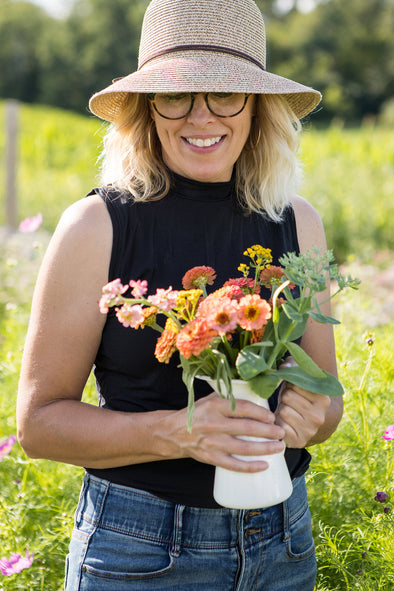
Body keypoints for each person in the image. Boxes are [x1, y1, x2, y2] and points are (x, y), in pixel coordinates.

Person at [16, 0, 343, 589]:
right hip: (141, 550)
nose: (201, 116)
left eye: (225, 93)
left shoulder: (297, 223)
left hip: (283, 542)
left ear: (257, 105)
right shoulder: (98, 226)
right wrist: (178, 430)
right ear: (146, 107)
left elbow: (327, 400)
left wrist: (311, 415)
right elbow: (39, 426)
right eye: (176, 96)